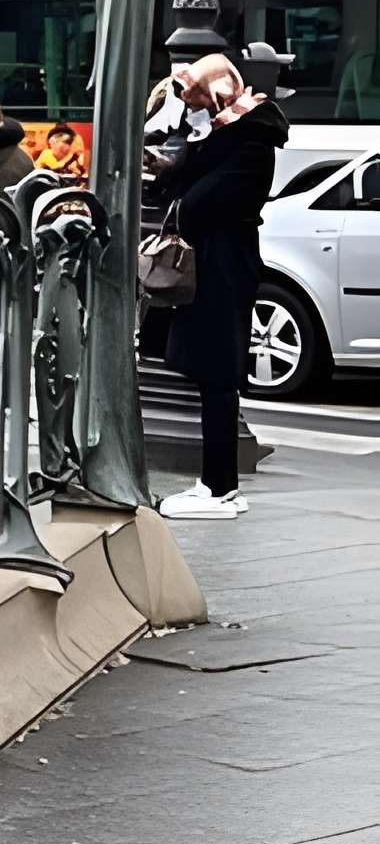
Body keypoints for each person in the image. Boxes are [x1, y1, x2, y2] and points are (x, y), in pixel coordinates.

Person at [149, 49, 289, 518]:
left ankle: (220, 486)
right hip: (216, 262)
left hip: (224, 265)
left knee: (219, 376)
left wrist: (188, 167)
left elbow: (197, 205)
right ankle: (216, 483)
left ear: (214, 96)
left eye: (194, 99)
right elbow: (178, 189)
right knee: (212, 375)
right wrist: (179, 156)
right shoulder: (230, 136)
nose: (189, 108)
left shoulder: (248, 142)